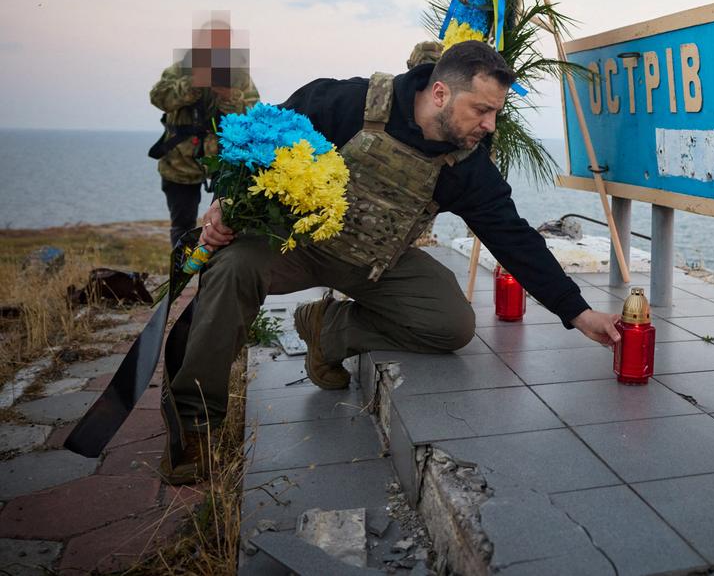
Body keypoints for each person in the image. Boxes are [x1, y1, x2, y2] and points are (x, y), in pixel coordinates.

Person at [161, 40, 620, 482]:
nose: (490, 125)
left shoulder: (466, 166)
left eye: (496, 112)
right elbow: (254, 142)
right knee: (229, 268)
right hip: (292, 245)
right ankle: (195, 424)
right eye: (481, 110)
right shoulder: (344, 102)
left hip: (374, 261)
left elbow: (514, 238)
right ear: (440, 92)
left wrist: (576, 311)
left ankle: (330, 328)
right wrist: (225, 203)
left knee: (451, 323)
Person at [149, 20, 259, 247]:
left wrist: (230, 96)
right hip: (180, 162)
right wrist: (193, 84)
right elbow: (159, 98)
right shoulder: (179, 70)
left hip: (224, 162)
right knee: (182, 225)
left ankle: (212, 275)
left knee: (223, 224)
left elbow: (253, 117)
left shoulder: (238, 76)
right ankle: (182, 273)